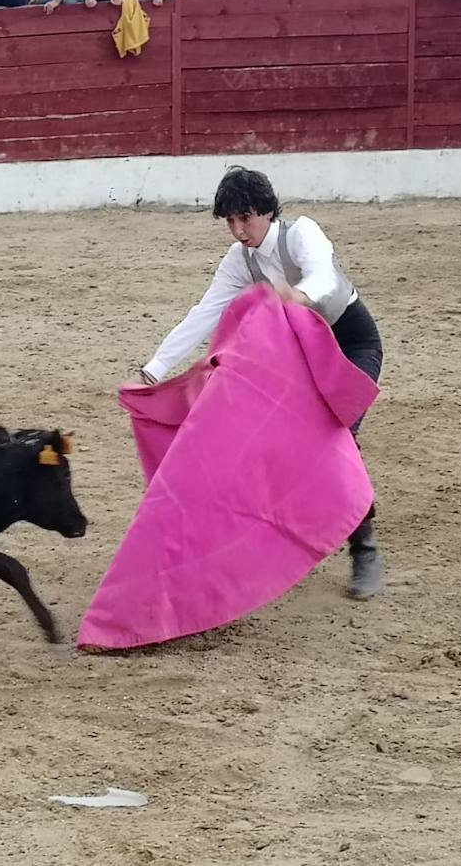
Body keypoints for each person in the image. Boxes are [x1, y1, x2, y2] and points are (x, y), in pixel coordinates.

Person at [139, 167, 387, 599]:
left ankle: (363, 548)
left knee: (338, 441)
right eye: (230, 222)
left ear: (268, 211)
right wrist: (154, 370)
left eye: (245, 219)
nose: (238, 231)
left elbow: (325, 277)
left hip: (351, 346)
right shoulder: (240, 260)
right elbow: (204, 313)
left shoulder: (301, 234)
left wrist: (302, 296)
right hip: (302, 359)